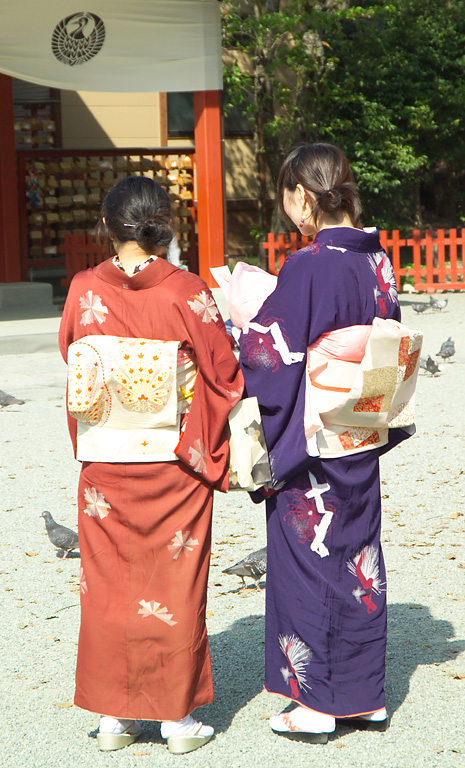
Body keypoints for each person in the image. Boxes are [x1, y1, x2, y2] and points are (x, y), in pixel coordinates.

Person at [239, 143, 420, 743]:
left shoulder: (309, 265)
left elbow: (272, 354)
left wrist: (243, 325)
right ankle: (364, 695)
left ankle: (316, 705)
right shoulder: (377, 262)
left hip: (312, 439)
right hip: (358, 427)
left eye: (287, 195)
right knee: (356, 557)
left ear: (303, 196)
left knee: (309, 563)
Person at [59, 176, 243, 754]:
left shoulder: (84, 286)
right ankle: (176, 720)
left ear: (108, 226)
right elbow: (224, 373)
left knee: (109, 586)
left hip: (106, 464)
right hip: (172, 463)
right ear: (164, 224)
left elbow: (74, 354)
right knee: (175, 582)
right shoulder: (184, 290)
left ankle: (115, 716)